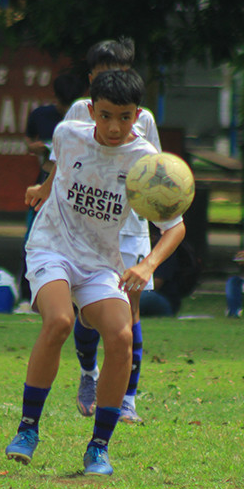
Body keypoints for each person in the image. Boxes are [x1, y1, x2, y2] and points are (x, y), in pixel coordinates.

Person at [4, 69, 186, 476]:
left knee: (121, 337)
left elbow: (176, 228)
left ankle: (99, 447)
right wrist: (44, 187)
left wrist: (147, 263)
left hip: (101, 261)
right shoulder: (68, 133)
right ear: (91, 110)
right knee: (59, 322)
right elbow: (61, 169)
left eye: (124, 117)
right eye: (105, 115)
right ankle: (28, 429)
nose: (114, 126)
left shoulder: (145, 162)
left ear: (137, 115)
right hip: (52, 246)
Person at [56, 38, 160, 424]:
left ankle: (128, 397)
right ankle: (88, 372)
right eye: (105, 75)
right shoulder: (77, 115)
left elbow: (156, 174)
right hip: (84, 228)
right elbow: (61, 165)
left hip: (130, 229)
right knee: (86, 310)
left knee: (130, 314)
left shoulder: (143, 119)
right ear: (92, 79)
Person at [19, 73, 86, 305]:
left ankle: (74, 296)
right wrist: (34, 147)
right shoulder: (41, 115)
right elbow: (27, 140)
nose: (67, 109)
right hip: (46, 178)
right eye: (63, 103)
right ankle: (27, 296)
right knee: (33, 236)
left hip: (76, 183)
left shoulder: (87, 118)